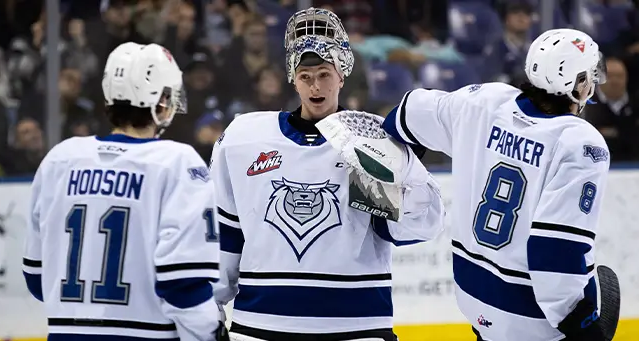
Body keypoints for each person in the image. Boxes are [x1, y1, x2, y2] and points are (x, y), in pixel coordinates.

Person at [210, 7, 445, 341]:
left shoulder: (367, 139)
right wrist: (210, 307)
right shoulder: (244, 139)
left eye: (324, 74)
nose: (315, 86)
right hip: (262, 327)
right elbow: (226, 234)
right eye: (306, 77)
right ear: (293, 77)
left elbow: (417, 228)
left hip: (355, 328)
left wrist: (406, 171)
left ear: (342, 75)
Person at [382, 28, 610, 341]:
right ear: (574, 84)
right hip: (533, 318)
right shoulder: (579, 143)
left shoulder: (484, 102)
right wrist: (582, 329)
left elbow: (405, 115)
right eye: (588, 77)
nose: (592, 84)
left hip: (473, 298)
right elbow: (556, 251)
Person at [22, 42, 227, 341]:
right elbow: (184, 285)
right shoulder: (175, 163)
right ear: (161, 102)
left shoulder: (60, 159)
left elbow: (37, 280)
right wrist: (211, 333)